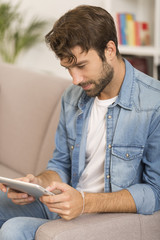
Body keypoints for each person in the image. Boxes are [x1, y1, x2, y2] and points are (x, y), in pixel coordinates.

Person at [0, 4, 160, 239]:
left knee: (13, 229)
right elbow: (61, 164)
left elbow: (155, 192)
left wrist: (84, 202)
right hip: (63, 204)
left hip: (101, 215)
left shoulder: (153, 103)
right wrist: (38, 183)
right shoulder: (72, 97)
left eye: (81, 66)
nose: (75, 79)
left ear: (109, 50)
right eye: (68, 68)